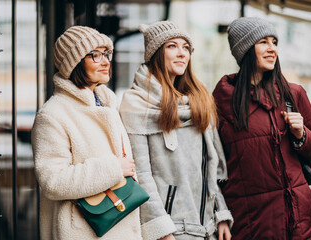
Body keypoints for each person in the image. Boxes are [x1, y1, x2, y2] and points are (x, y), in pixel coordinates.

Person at [119, 21, 233, 240]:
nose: (182, 53)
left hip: (207, 228)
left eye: (186, 47)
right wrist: (162, 230)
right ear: (155, 53)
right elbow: (141, 175)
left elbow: (212, 169)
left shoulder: (200, 101)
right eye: (172, 46)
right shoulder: (137, 104)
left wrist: (220, 213)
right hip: (170, 230)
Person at [213, 17, 311, 240]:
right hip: (250, 221)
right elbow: (213, 166)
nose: (272, 49)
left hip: (297, 218)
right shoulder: (221, 102)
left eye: (275, 42)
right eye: (263, 42)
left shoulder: (293, 93)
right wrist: (220, 213)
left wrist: (301, 135)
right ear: (244, 49)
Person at [31, 26, 142, 240]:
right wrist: (114, 168)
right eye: (95, 55)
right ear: (74, 63)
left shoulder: (107, 104)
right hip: (82, 231)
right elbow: (53, 181)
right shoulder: (53, 114)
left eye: (106, 53)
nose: (105, 61)